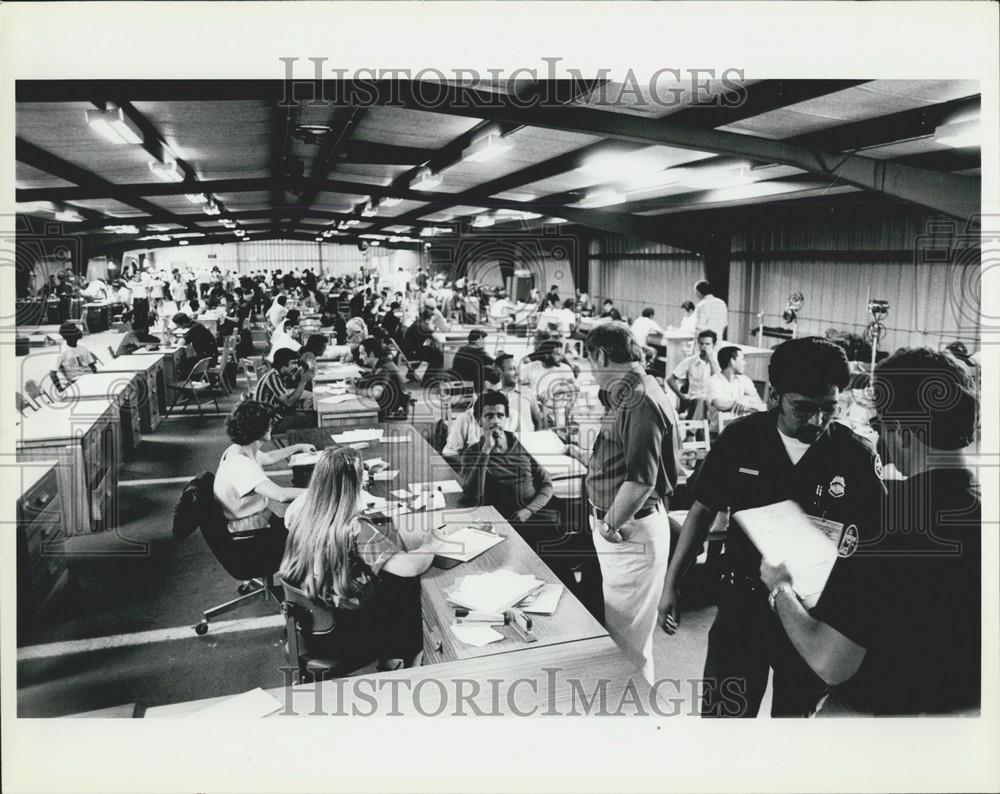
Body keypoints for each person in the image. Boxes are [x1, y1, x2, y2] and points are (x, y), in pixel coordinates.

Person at [659, 336, 885, 717]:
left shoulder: (854, 455)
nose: (817, 419)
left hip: (811, 616)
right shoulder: (742, 440)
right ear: (776, 396)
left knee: (794, 724)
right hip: (741, 606)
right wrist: (671, 582)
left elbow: (875, 541)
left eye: (829, 408)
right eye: (804, 408)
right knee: (723, 717)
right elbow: (702, 512)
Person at [761, 347, 981, 716]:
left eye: (882, 425)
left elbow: (829, 661)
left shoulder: (888, 526)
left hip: (883, 722)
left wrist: (780, 589)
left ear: (905, 432)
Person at [571, 322, 680, 684]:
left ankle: (634, 724)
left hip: (629, 532)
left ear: (600, 355)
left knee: (627, 644)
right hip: (624, 530)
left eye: (589, 360)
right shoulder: (630, 391)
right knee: (622, 633)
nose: (590, 370)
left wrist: (607, 525)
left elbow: (640, 481)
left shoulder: (639, 399)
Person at [278, 447, 437, 670]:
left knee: (389, 581)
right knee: (407, 588)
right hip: (346, 637)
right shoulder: (355, 529)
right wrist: (432, 542)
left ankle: (393, 659)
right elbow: (411, 567)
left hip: (310, 628)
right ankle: (403, 662)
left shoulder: (303, 517)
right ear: (356, 486)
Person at [458, 391, 571, 584]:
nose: (495, 421)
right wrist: (486, 451)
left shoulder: (516, 443)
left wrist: (528, 510)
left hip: (532, 515)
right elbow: (473, 495)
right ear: (478, 421)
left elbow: (546, 483)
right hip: (505, 522)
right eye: (489, 416)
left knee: (562, 551)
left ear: (507, 418)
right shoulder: (472, 453)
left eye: (500, 415)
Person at [213, 400, 313, 534]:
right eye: (269, 424)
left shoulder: (239, 449)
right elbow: (281, 495)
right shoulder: (241, 465)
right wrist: (316, 491)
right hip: (251, 530)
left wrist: (297, 447)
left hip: (255, 518)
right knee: (311, 532)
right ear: (259, 429)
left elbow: (269, 457)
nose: (272, 426)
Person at [253, 347, 317, 430]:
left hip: (274, 415)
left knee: (310, 413)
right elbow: (289, 402)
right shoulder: (273, 377)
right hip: (270, 422)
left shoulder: (277, 374)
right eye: (293, 363)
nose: (296, 367)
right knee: (314, 419)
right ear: (283, 364)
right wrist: (303, 381)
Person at [706, 345, 765, 432]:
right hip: (720, 433)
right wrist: (737, 403)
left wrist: (743, 400)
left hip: (744, 429)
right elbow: (720, 404)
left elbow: (758, 403)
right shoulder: (713, 381)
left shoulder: (745, 380)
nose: (745, 363)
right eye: (742, 359)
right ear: (732, 361)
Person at [520, 338, 577, 427]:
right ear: (546, 355)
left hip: (554, 407)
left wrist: (551, 391)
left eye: (561, 354)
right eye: (557, 354)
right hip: (533, 405)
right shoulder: (532, 367)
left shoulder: (564, 368)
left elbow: (575, 387)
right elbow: (516, 382)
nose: (561, 357)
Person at [667, 329, 719, 418]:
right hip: (694, 400)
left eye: (707, 344)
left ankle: (693, 431)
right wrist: (681, 395)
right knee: (700, 401)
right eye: (701, 344)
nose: (703, 347)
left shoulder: (717, 362)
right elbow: (670, 379)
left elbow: (718, 379)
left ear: (713, 345)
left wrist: (710, 359)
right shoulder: (691, 361)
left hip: (713, 401)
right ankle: (694, 430)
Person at [356, 337, 411, 420]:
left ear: (371, 354)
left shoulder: (384, 368)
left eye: (362, 353)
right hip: (389, 407)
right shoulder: (382, 362)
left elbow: (376, 393)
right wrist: (359, 381)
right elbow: (375, 378)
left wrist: (355, 390)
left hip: (392, 413)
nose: (360, 357)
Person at [402, 308, 445, 385]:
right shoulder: (422, 327)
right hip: (413, 353)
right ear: (428, 319)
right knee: (439, 357)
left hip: (409, 351)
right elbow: (438, 338)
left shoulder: (417, 323)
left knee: (432, 350)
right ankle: (428, 381)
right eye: (432, 320)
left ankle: (411, 374)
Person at [450, 329, 495, 393]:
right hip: (470, 384)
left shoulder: (461, 349)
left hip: (458, 380)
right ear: (479, 340)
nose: (485, 342)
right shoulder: (479, 353)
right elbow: (496, 363)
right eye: (483, 339)